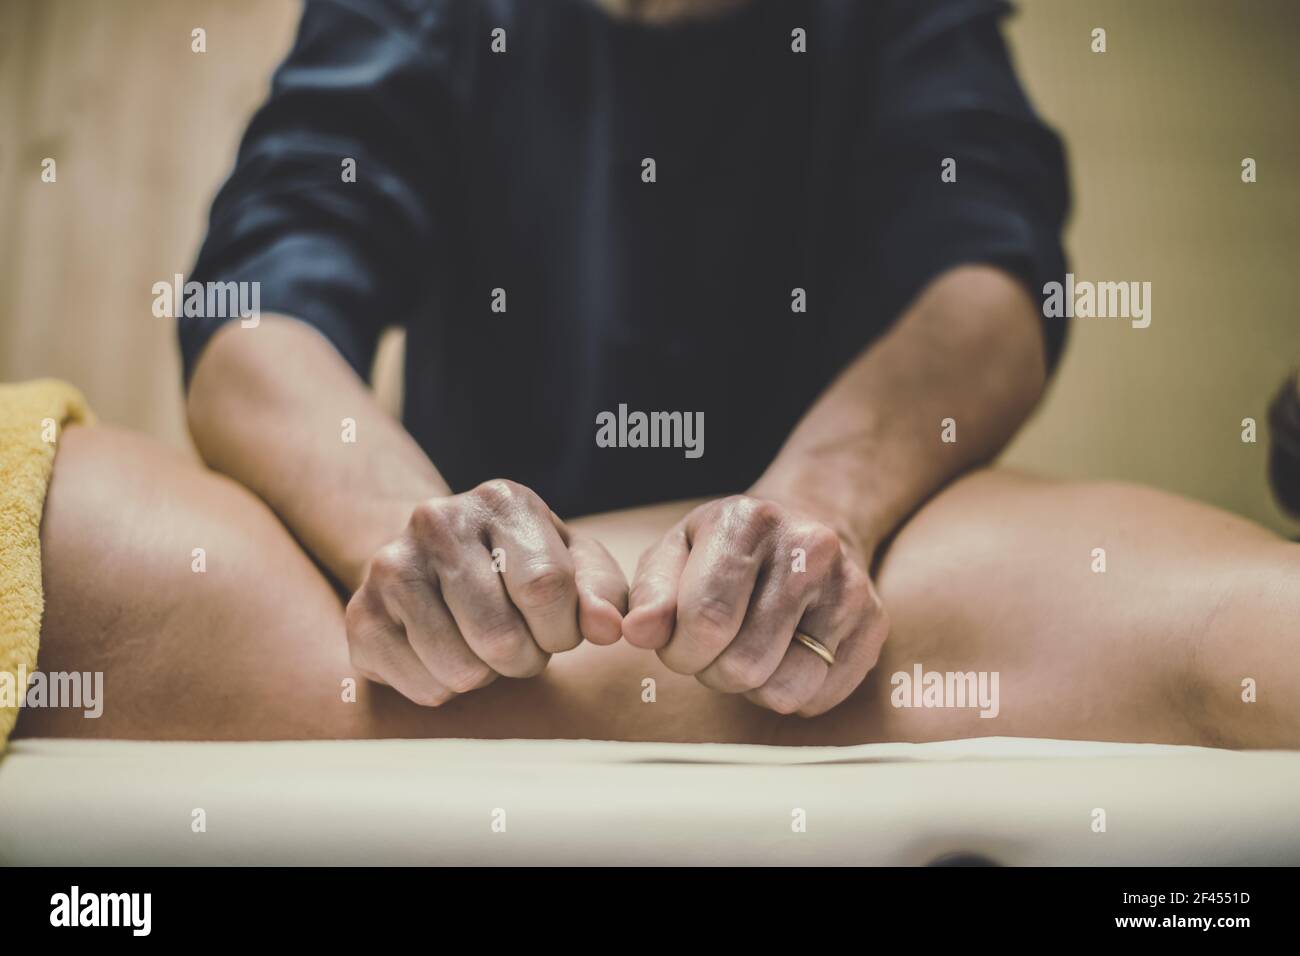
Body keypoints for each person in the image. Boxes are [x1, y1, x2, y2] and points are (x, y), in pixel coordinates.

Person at [5, 0, 1297, 750]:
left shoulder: (898, 24)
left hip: (869, 570)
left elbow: (986, 277)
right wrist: (395, 536)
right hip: (463, 600)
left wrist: (819, 514)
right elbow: (261, 300)